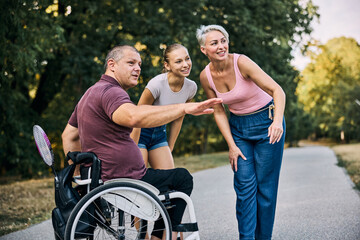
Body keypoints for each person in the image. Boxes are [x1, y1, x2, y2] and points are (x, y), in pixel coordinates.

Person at [61, 45, 222, 240]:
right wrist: (184, 108)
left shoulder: (91, 92)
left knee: (172, 177)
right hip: (122, 178)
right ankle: (157, 237)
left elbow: (68, 136)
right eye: (131, 63)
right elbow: (133, 117)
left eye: (139, 64)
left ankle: (157, 235)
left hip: (101, 177)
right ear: (111, 65)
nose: (137, 68)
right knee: (182, 178)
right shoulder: (112, 92)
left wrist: (79, 174)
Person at [196, 25, 286, 240]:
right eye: (214, 43)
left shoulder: (241, 62)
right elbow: (218, 110)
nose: (221, 46)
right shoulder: (205, 76)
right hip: (239, 129)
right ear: (203, 49)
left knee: (265, 189)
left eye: (223, 40)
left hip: (267, 123)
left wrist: (277, 122)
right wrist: (231, 145)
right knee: (244, 187)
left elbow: (277, 90)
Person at [131, 43, 197, 170]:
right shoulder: (156, 84)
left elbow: (179, 118)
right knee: (140, 178)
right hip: (141, 132)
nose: (185, 64)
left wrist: (170, 147)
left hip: (160, 134)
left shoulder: (191, 88)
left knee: (168, 177)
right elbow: (136, 117)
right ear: (167, 65)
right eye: (178, 61)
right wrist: (132, 146)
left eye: (187, 58)